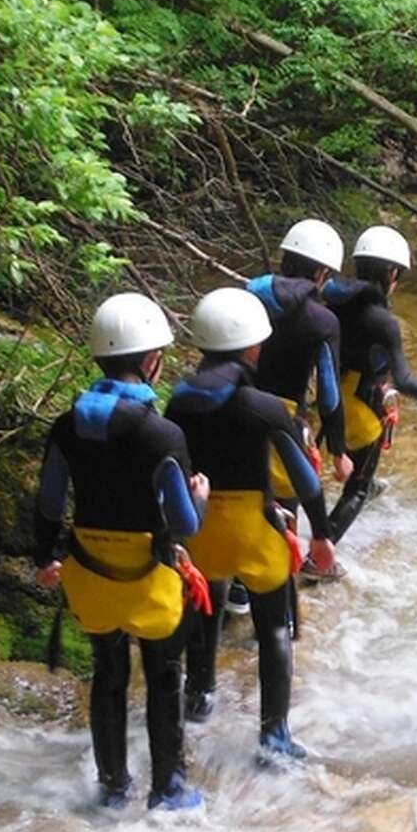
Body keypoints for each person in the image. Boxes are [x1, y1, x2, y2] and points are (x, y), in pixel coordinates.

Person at [34, 292, 210, 812]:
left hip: (89, 576)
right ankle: (169, 791)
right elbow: (184, 526)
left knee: (108, 675)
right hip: (148, 581)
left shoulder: (66, 427)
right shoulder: (162, 435)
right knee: (162, 677)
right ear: (151, 361)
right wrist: (199, 498)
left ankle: (113, 785)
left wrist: (45, 557)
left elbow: (48, 502)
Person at [166, 287, 335, 759]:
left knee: (209, 604)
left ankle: (200, 694)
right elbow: (305, 481)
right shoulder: (264, 408)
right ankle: (274, 735)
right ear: (253, 347)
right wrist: (320, 535)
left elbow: (173, 469)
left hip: (201, 529)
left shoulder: (178, 403)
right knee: (275, 628)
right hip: (254, 531)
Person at [317, 225, 417, 551]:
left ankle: (364, 483)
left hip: (329, 402)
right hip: (362, 412)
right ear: (391, 273)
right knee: (357, 490)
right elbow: (404, 380)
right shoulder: (382, 320)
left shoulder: (332, 301)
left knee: (351, 467)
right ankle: (322, 555)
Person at [239, 218, 352, 586]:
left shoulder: (248, 295)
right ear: (321, 272)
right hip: (285, 419)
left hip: (235, 404)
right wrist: (339, 450)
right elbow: (330, 395)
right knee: (285, 505)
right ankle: (278, 587)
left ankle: (236, 583)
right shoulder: (322, 321)